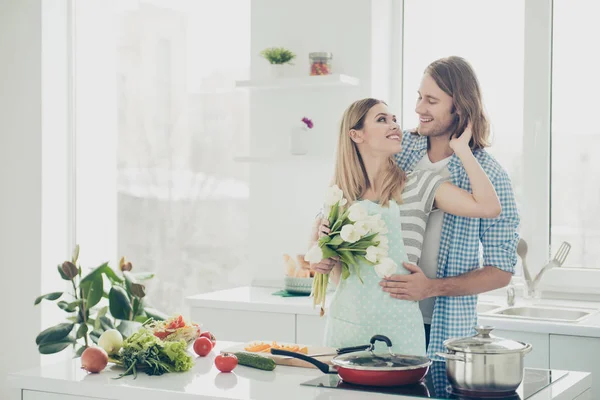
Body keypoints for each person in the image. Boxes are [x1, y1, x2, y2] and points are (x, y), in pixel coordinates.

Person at [309, 97, 501, 356]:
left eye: (394, 120)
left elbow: (489, 208)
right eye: (382, 120)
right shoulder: (339, 197)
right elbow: (337, 276)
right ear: (356, 135)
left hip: (400, 332)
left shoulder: (419, 184)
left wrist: (463, 150)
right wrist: (322, 260)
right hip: (346, 329)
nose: (394, 126)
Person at [381, 56, 520, 359]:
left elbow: (501, 271)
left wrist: (430, 288)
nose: (419, 108)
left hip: (446, 332)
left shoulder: (490, 177)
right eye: (419, 97)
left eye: (431, 100)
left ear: (459, 106)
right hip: (384, 319)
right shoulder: (399, 152)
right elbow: (352, 191)